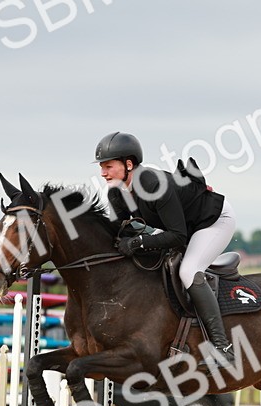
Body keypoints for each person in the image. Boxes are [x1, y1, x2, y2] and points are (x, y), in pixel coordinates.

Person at [97, 131, 237, 368]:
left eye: (109, 166)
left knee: (189, 271)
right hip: (184, 225)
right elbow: (120, 231)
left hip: (213, 221)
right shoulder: (116, 193)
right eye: (101, 167)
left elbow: (178, 235)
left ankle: (222, 347)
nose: (103, 173)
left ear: (128, 164)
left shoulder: (152, 184)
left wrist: (138, 243)